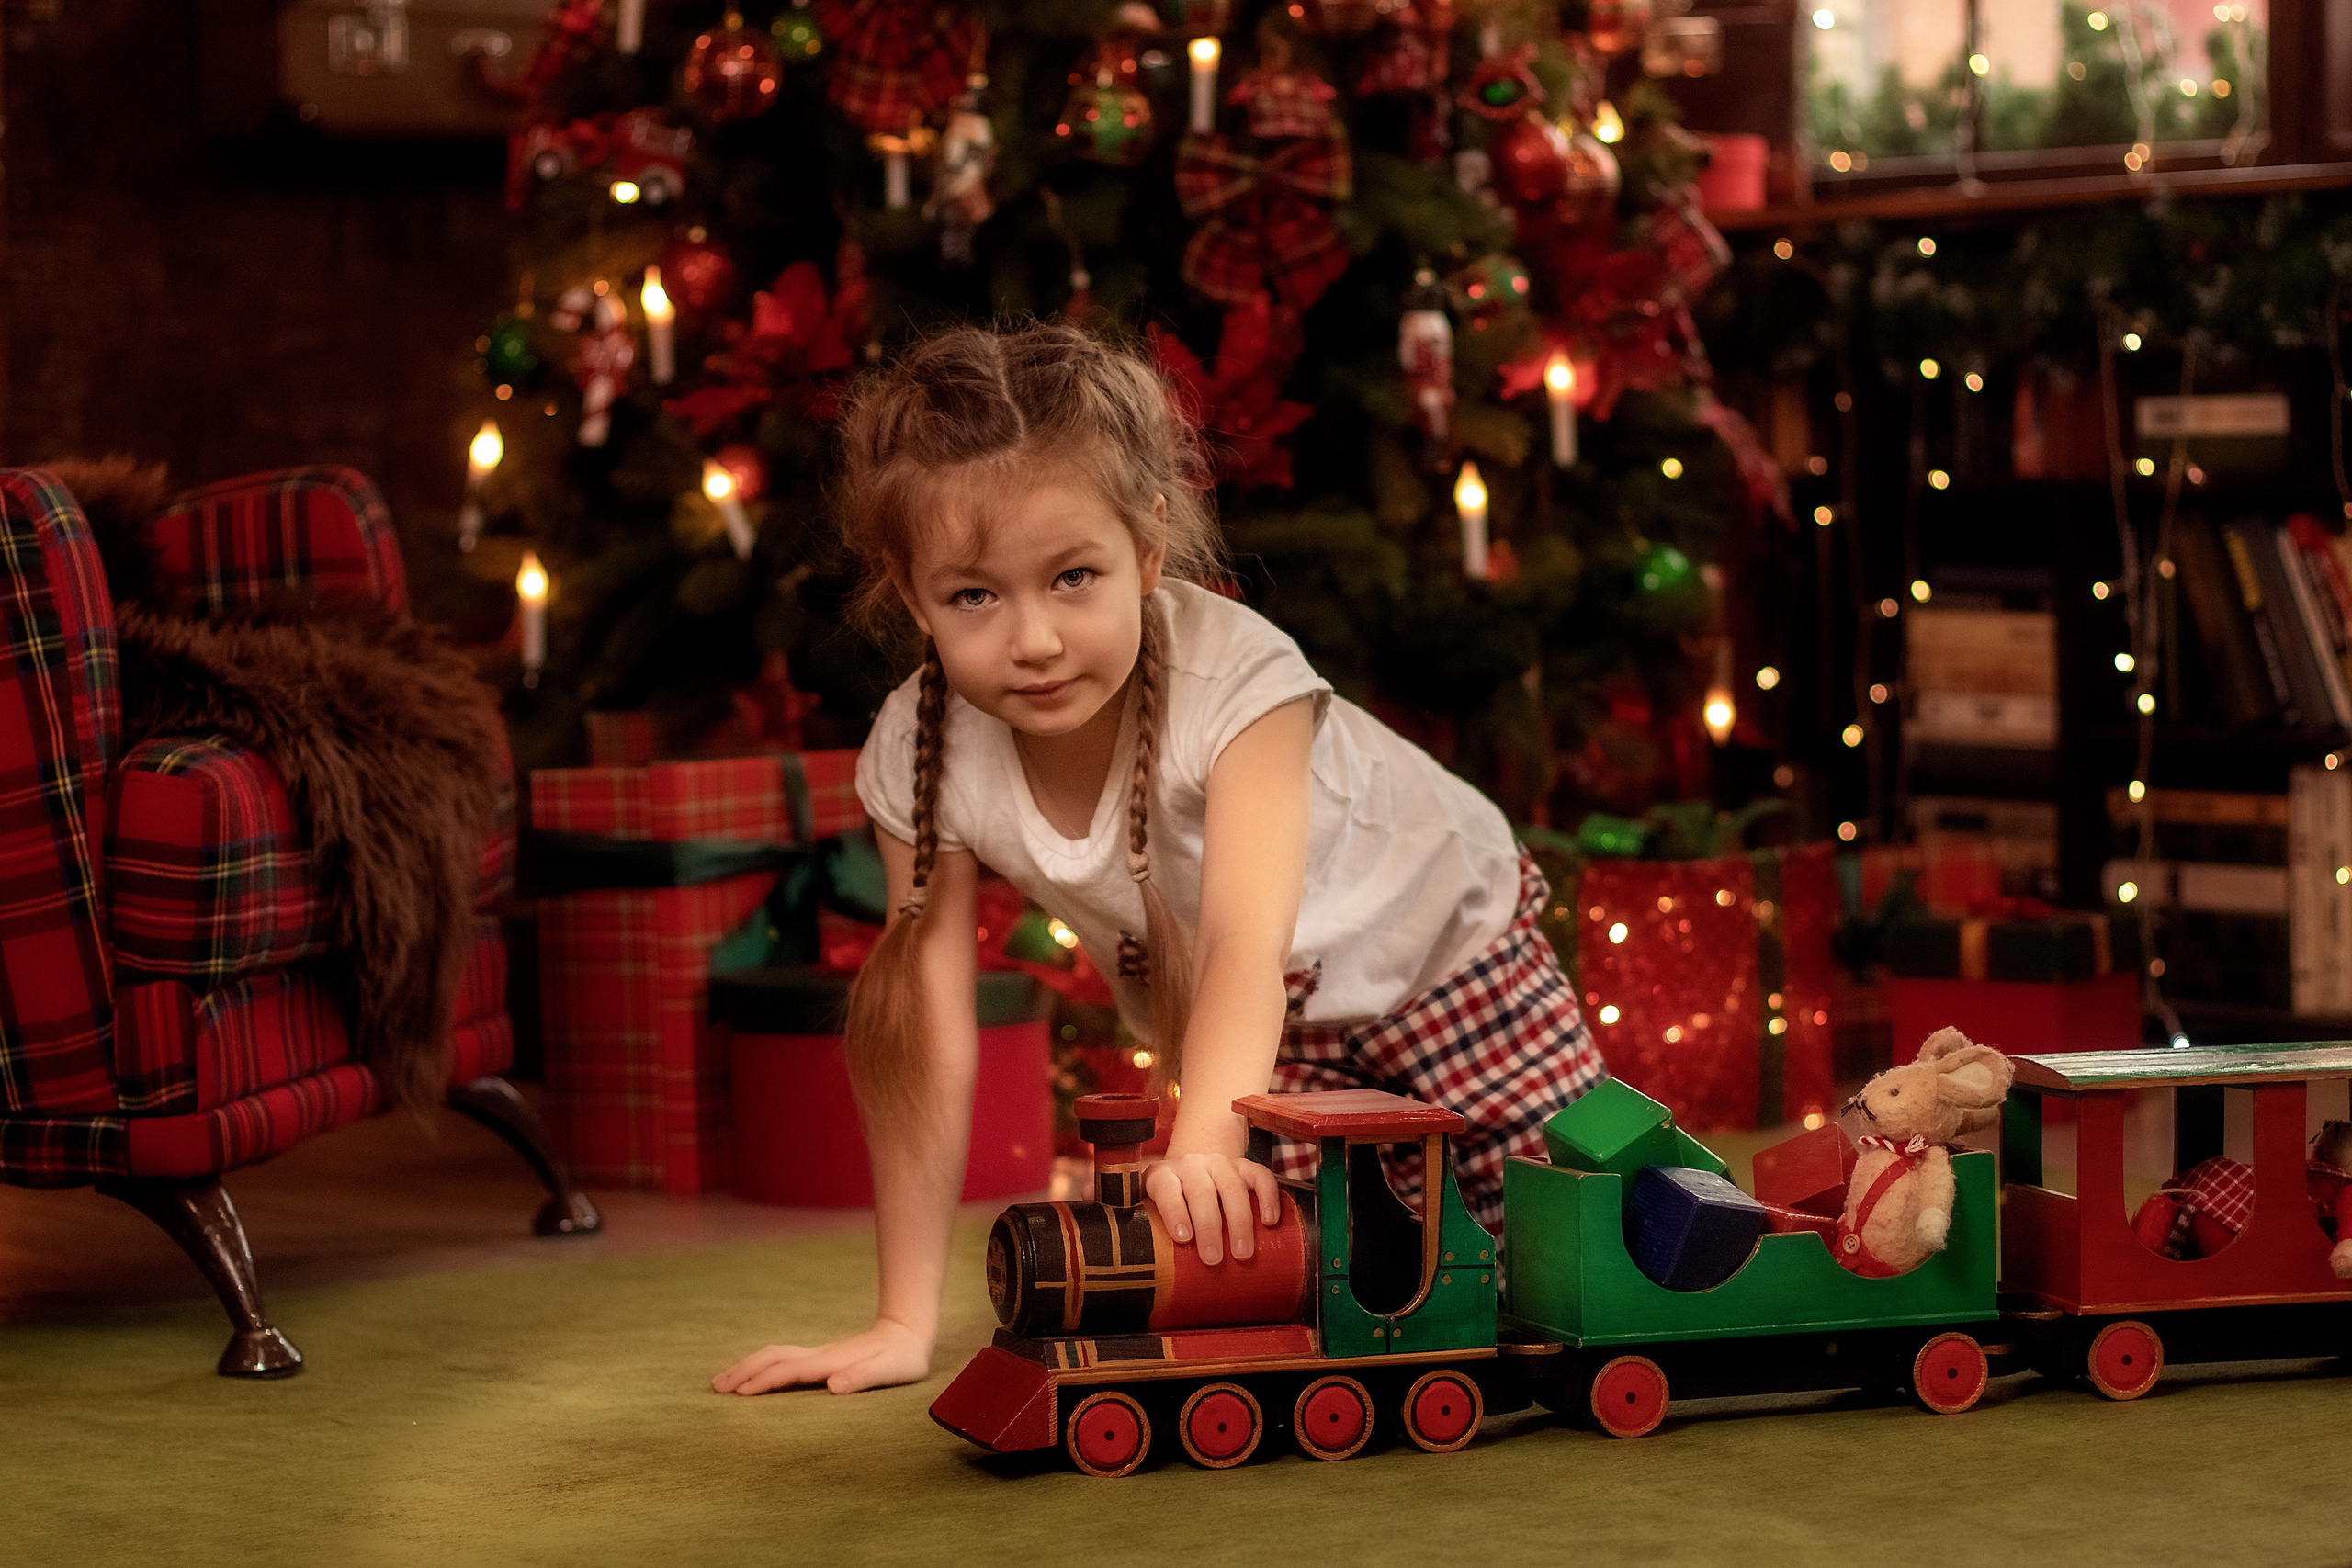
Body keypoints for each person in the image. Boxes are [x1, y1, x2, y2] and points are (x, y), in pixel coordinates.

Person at [713, 321, 1603, 1398]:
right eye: (974, 597)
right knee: (1323, 1300)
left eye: (1074, 576)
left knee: (1570, 1265)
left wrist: (1202, 1144)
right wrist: (903, 1320)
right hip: (1276, 1045)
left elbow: (1240, 944)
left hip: (1449, 960)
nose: (1032, 639)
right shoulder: (916, 749)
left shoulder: (1240, 683)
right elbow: (925, 1032)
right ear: (911, 596)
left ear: (1146, 547)